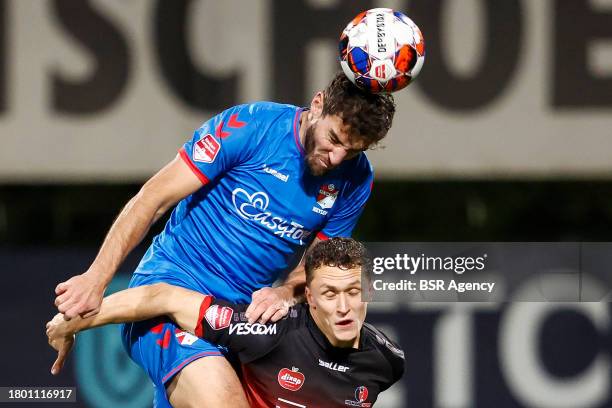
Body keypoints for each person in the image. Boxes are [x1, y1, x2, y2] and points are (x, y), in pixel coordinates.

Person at [53, 73, 396, 407]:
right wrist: (96, 279)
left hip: (237, 322)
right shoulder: (252, 126)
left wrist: (282, 293)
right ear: (317, 105)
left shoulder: (357, 178)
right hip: (166, 293)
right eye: (334, 140)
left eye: (351, 152)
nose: (336, 158)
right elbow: (152, 198)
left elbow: (317, 267)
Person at [48, 238, 404, 407]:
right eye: (329, 294)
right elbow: (163, 298)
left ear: (369, 292)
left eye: (353, 291)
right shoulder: (268, 331)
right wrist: (70, 323)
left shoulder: (387, 362)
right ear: (309, 298)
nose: (343, 307)